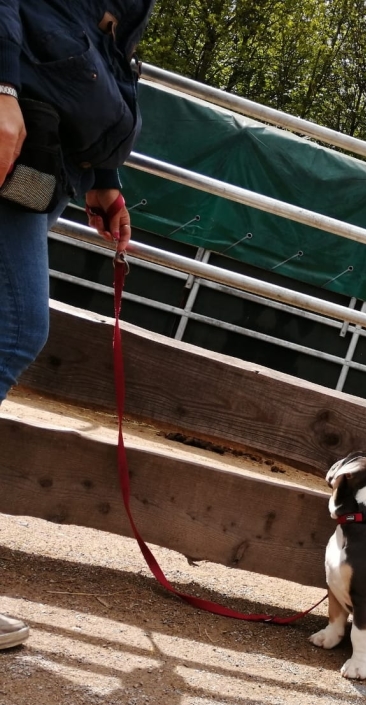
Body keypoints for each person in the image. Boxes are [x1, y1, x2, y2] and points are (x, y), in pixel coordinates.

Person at [0, 0, 157, 649]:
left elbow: (110, 61)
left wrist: (104, 175)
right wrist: (2, 82)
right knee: (16, 328)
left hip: (40, 155)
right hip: (13, 123)